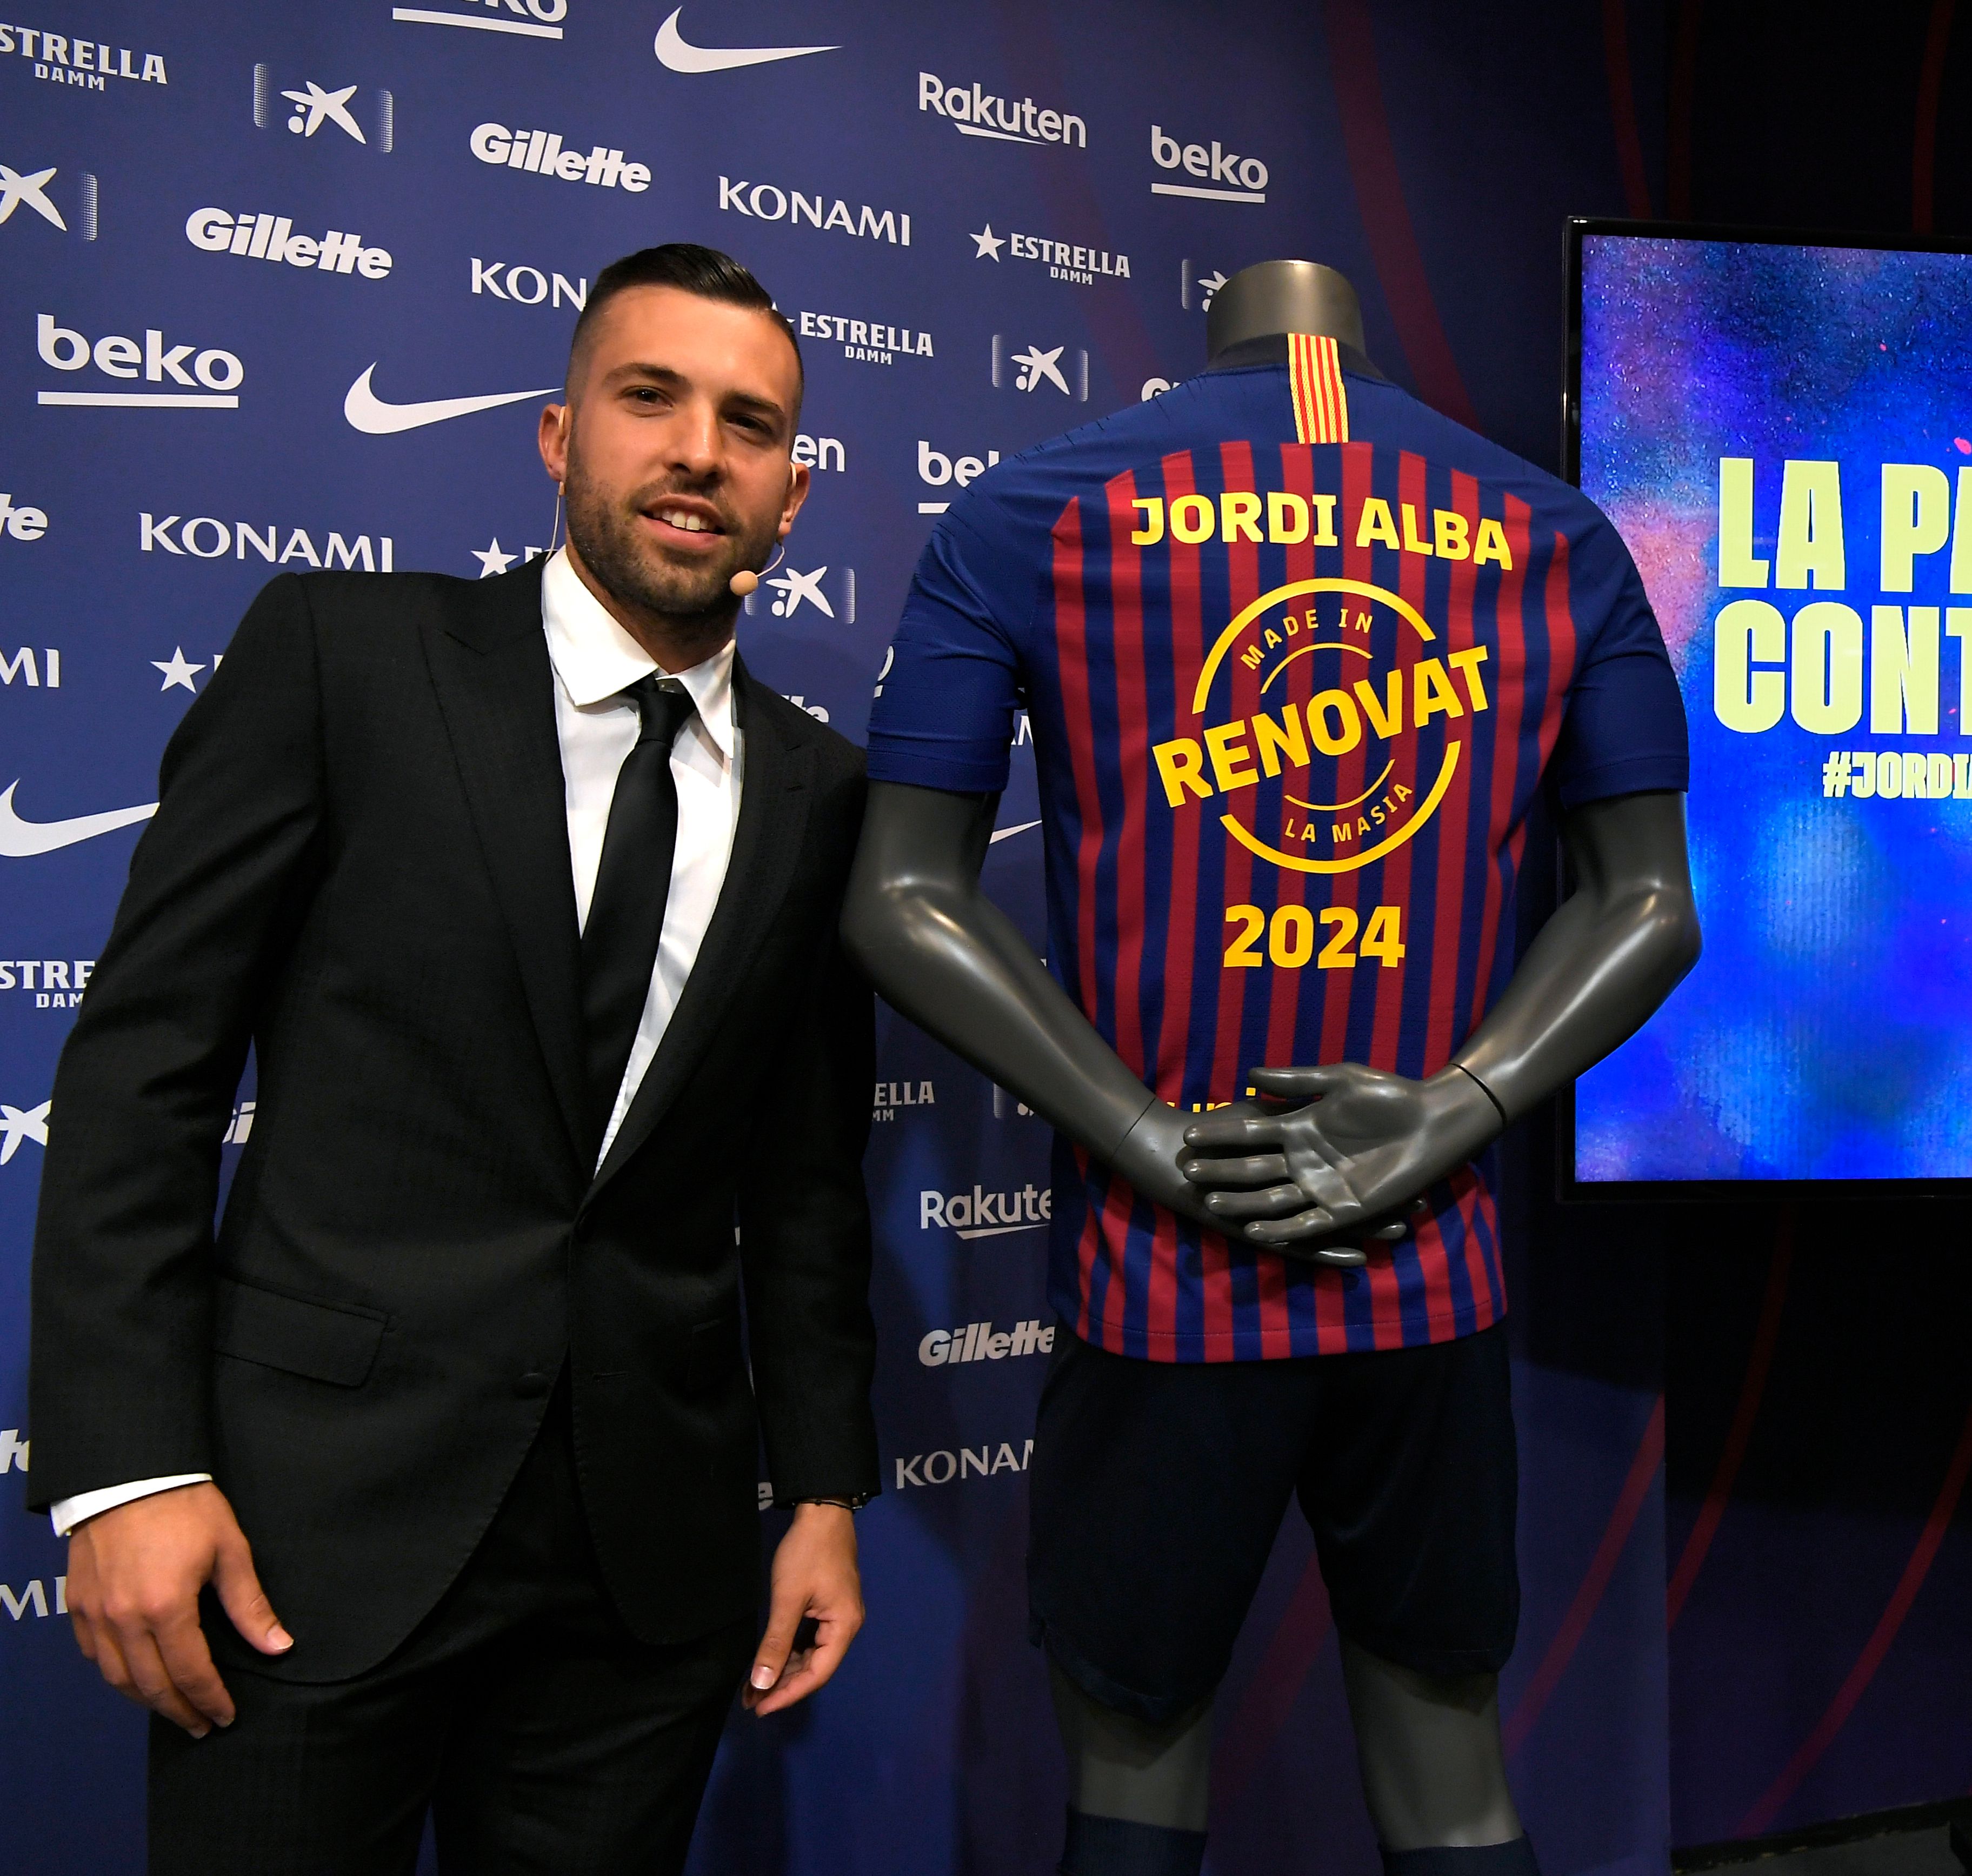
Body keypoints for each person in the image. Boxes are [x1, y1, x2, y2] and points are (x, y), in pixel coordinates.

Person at [25, 244, 880, 1871]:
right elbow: (145, 1069)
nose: (701, 449)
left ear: (792, 490)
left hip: (647, 1580)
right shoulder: (340, 655)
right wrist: (124, 1463)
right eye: (651, 398)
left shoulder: (820, 789)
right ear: (559, 436)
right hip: (303, 1545)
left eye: (750, 423)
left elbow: (802, 1170)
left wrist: (823, 1487)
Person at [843, 261, 1698, 1876]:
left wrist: (1151, 1138)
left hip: (1158, 1269)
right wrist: (1454, 1107)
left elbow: (895, 894)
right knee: (1453, 1771)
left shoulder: (1032, 512)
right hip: (1428, 1267)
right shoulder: (1550, 531)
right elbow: (1650, 905)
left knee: (1132, 1768)